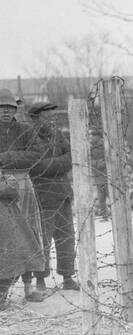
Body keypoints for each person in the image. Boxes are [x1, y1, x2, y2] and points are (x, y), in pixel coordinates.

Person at [26, 102, 79, 292]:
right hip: (42, 197)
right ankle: (40, 280)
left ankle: (68, 277)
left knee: (66, 238)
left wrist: (54, 165)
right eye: (48, 116)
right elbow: (36, 167)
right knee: (43, 240)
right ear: (35, 118)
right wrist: (61, 164)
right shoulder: (28, 138)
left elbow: (73, 156)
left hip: (63, 195)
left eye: (53, 115)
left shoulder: (57, 135)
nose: (52, 119)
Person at [0, 89, 45, 304]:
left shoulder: (25, 130)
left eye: (9, 108)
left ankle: (28, 287)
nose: (6, 112)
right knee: (6, 238)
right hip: (1, 187)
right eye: (1, 108)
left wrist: (4, 158)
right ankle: (3, 291)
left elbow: (36, 155)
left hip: (23, 183)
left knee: (29, 232)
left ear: (15, 110)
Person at [89, 126, 109, 220]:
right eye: (92, 135)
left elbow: (109, 159)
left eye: (94, 135)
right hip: (98, 177)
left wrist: (100, 164)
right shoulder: (90, 148)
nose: (92, 137)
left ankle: (111, 215)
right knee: (102, 198)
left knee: (110, 196)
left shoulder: (106, 146)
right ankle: (105, 215)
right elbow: (88, 161)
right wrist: (97, 164)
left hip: (107, 176)